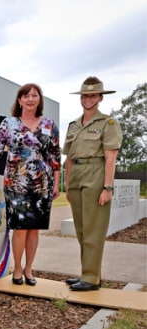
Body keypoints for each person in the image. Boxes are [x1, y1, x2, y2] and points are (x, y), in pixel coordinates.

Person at [0, 83, 61, 286]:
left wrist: (57, 183)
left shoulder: (49, 125)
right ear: (19, 100)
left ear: (39, 100)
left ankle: (29, 270)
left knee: (34, 229)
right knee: (20, 228)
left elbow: (55, 155)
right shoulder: (8, 124)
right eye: (26, 96)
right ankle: (17, 268)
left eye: (34, 95)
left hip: (42, 184)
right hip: (15, 184)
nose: (30, 99)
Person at [62, 76, 122, 291]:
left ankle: (90, 278)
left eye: (93, 96)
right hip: (76, 175)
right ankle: (89, 273)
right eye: (85, 96)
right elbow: (68, 158)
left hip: (96, 173)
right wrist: (67, 186)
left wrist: (107, 187)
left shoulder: (108, 123)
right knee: (81, 230)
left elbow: (111, 159)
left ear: (100, 98)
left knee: (93, 229)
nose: (88, 99)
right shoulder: (74, 125)